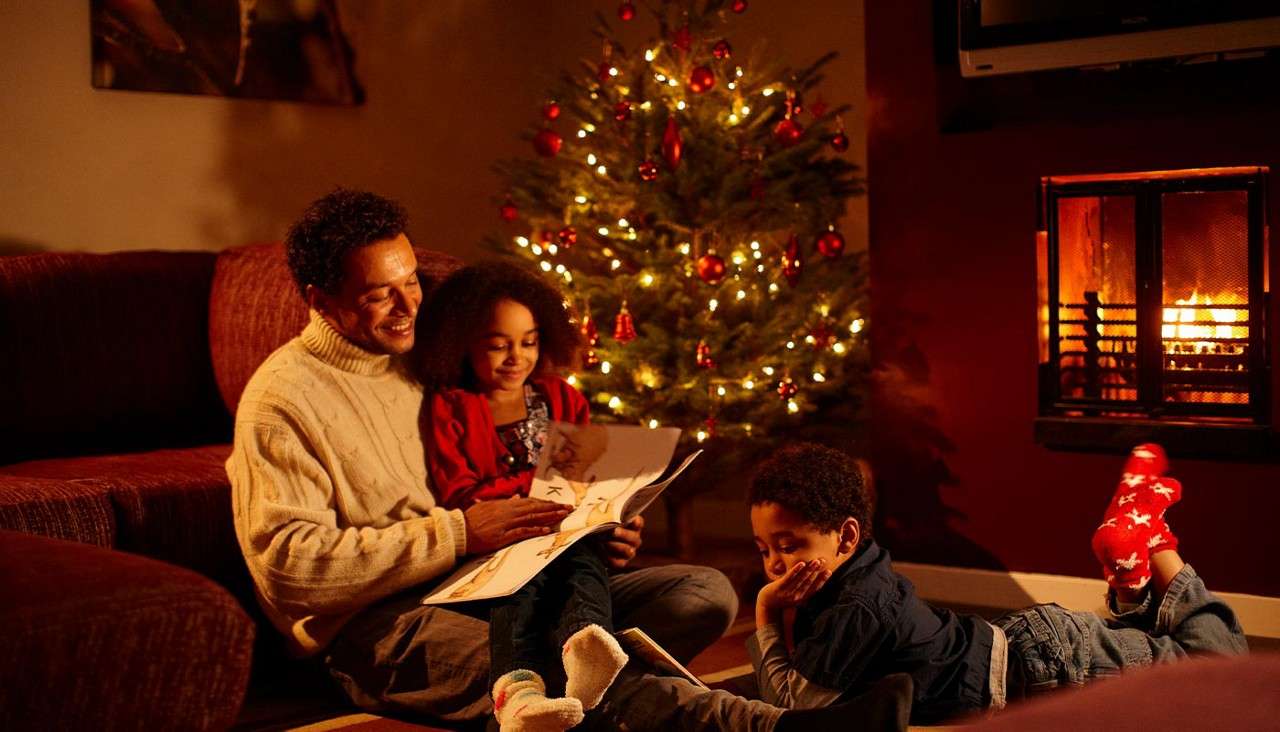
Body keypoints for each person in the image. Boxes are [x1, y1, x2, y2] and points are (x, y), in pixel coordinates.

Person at [228, 188, 907, 731]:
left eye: (411, 281)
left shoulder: (429, 357)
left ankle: (553, 676)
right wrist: (460, 533)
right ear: (318, 300)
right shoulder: (283, 400)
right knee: (557, 680)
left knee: (702, 593)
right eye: (381, 293)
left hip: (495, 583)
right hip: (380, 626)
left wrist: (594, 525)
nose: (410, 305)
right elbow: (290, 569)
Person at [745, 442, 1248, 725]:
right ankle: (1132, 568)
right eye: (765, 549)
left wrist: (765, 612)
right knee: (1165, 657)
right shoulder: (847, 577)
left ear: (846, 535)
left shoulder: (854, 608)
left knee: (1222, 672)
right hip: (1033, 652)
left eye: (789, 546)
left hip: (1046, 666)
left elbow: (794, 712)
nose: (774, 565)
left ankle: (1152, 541)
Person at [417, 261, 626, 731]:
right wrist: (535, 495)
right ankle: (517, 694)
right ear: (463, 343)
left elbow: (586, 474)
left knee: (582, 559)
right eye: (497, 345)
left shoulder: (562, 398)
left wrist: (614, 509)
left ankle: (585, 646)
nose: (516, 357)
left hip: (567, 537)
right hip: (501, 546)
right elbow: (460, 492)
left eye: (529, 342)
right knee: (519, 588)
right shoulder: (451, 404)